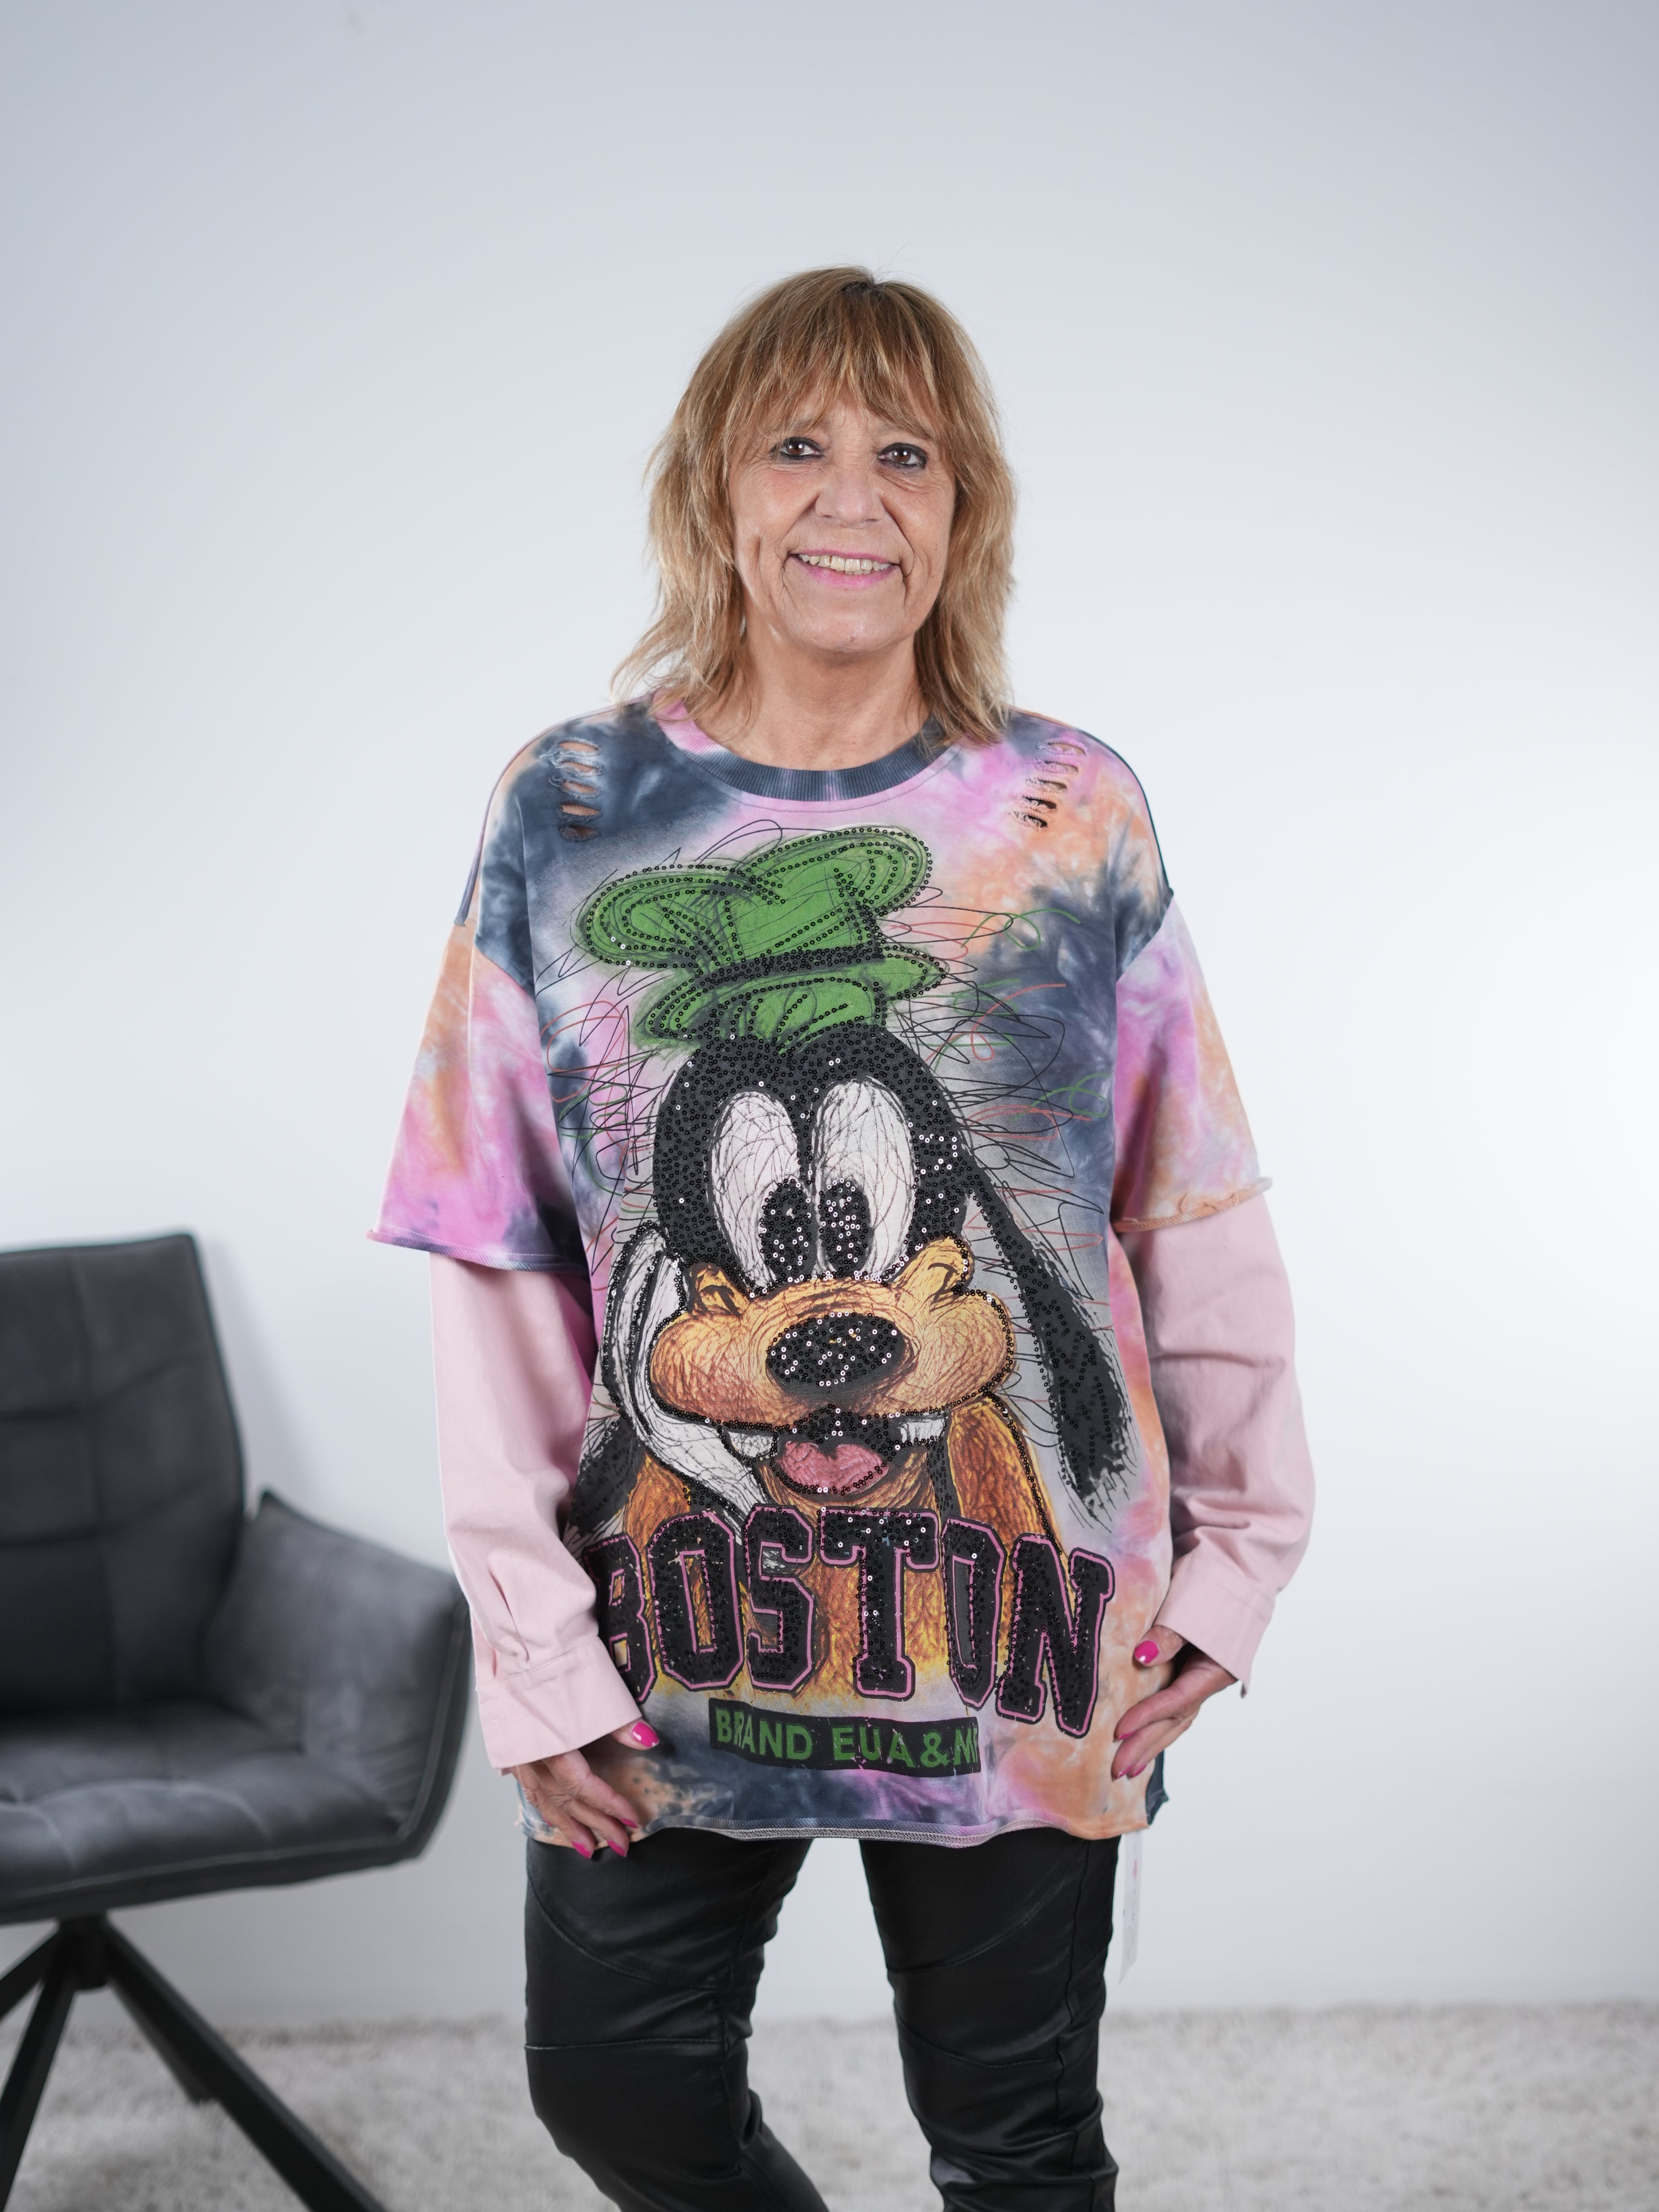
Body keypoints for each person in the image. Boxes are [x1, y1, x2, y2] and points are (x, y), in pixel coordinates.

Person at [373, 267, 1313, 2212]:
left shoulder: (1069, 812)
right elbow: (504, 1258)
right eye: (796, 444)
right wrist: (534, 1652)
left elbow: (1188, 1202)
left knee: (1018, 2147)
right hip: (664, 1643)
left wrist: (1240, 1563)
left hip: (1023, 1637)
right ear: (714, 490)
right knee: (617, 2094)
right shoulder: (568, 808)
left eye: (908, 454)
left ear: (966, 508)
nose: (851, 497)